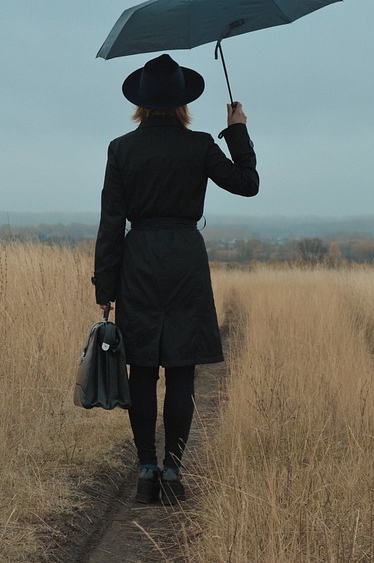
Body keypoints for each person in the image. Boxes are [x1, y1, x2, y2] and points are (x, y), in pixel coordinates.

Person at [93, 53, 259, 504]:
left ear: (141, 102)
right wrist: (237, 129)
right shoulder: (200, 145)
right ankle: (173, 472)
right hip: (186, 261)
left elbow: (111, 224)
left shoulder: (121, 149)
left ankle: (146, 472)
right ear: (183, 101)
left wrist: (105, 288)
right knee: (182, 369)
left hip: (139, 263)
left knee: (143, 369)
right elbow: (248, 183)